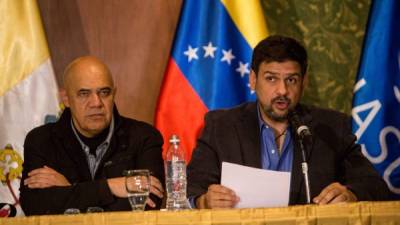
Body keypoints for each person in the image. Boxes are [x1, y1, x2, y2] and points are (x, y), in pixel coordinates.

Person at [187, 35, 390, 209]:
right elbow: (190, 188)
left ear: (304, 82)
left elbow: (375, 186)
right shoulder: (221, 125)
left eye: (291, 80)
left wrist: (351, 194)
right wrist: (204, 201)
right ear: (252, 80)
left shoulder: (331, 127)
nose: (282, 91)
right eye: (271, 79)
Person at [20, 56, 164, 215]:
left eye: (104, 92)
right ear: (66, 98)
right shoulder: (41, 140)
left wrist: (69, 190)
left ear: (114, 94)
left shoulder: (144, 137)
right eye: (84, 93)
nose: (96, 103)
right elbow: (35, 206)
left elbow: (148, 205)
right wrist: (110, 187)